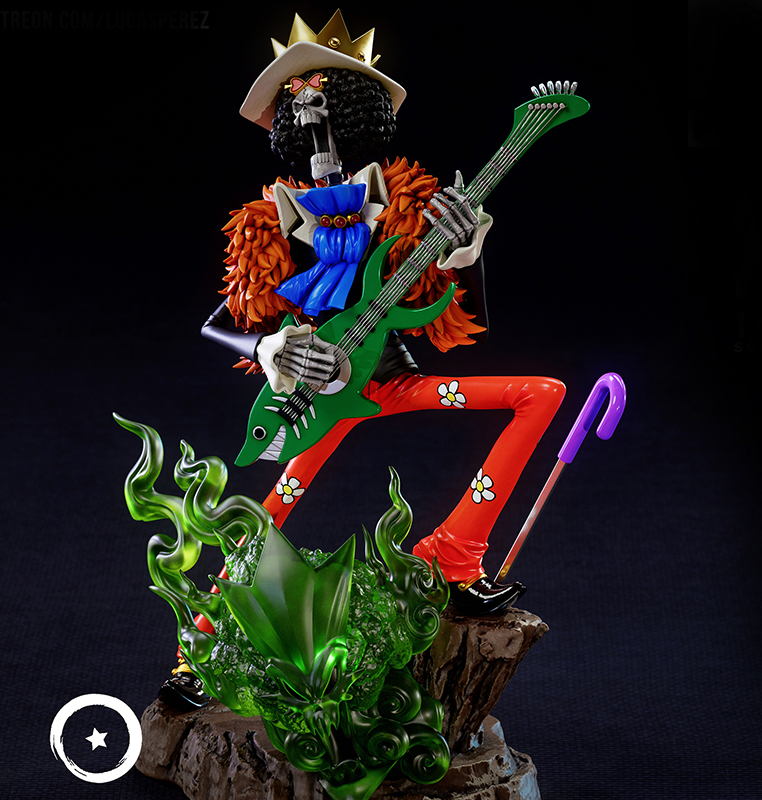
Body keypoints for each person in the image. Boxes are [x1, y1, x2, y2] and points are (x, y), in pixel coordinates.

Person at [159, 10, 565, 710]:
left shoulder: (407, 205)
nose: (312, 113)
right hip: (321, 401)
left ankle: (455, 555)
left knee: (542, 393)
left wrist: (465, 257)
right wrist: (270, 346)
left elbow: (463, 317)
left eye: (325, 98)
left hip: (395, 382)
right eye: (298, 103)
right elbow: (220, 323)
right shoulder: (267, 221)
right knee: (266, 516)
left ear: (354, 110)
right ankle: (194, 652)